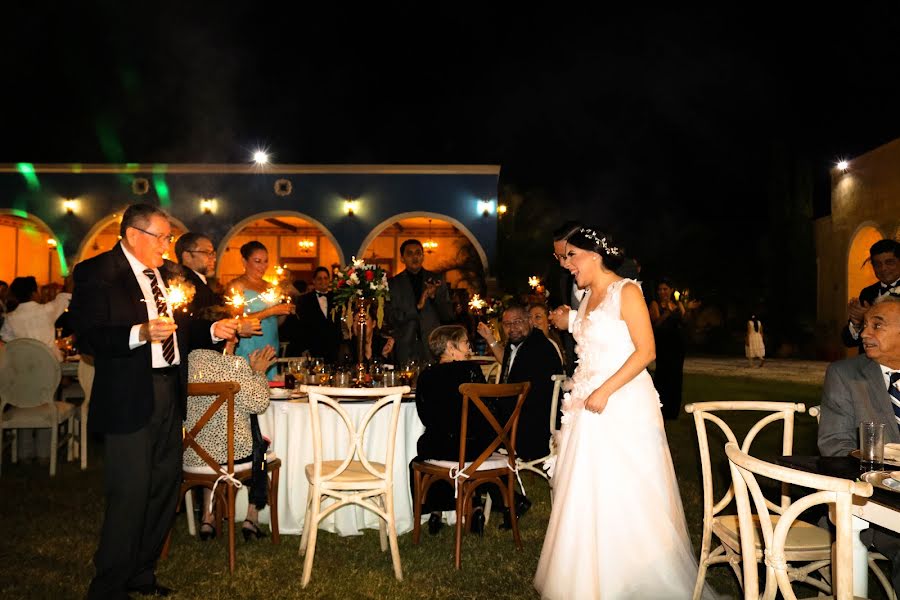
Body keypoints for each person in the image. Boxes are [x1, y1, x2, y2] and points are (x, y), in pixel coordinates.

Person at [68, 203, 238, 599]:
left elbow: (182, 328)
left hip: (168, 392)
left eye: (169, 238)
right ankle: (108, 584)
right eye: (162, 237)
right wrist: (138, 333)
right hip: (129, 395)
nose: (167, 244)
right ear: (133, 235)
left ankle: (141, 572)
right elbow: (88, 336)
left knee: (164, 487)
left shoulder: (165, 275)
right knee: (129, 492)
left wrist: (213, 327)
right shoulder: (98, 273)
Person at [534, 227, 711, 599]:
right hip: (586, 403)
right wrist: (571, 322)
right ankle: (586, 578)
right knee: (587, 487)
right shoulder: (585, 296)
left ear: (594, 256)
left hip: (622, 401)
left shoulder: (626, 291)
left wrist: (605, 390)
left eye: (572, 257)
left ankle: (636, 575)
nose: (567, 265)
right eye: (564, 258)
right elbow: (590, 340)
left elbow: (647, 352)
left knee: (627, 487)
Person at [819, 295, 900, 595]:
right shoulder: (845, 375)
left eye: (877, 325)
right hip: (873, 504)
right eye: (865, 325)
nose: (864, 334)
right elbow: (834, 446)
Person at [185, 337, 276, 542]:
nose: (236, 340)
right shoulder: (233, 364)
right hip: (232, 459)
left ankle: (208, 519)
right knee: (259, 451)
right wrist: (259, 372)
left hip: (192, 456)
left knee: (213, 446)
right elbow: (259, 403)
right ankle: (251, 517)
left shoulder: (187, 362)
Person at [411, 325, 488, 535]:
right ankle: (476, 507)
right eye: (465, 343)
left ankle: (435, 511)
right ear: (450, 347)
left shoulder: (426, 376)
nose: (469, 347)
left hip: (438, 447)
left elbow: (424, 415)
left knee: (431, 447)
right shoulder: (470, 370)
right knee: (470, 443)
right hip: (471, 448)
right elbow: (486, 411)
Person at [228, 241, 295, 380]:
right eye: (257, 261)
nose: (263, 266)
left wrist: (285, 311)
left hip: (270, 343)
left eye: (265, 261)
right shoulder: (237, 285)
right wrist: (271, 311)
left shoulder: (271, 287)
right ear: (244, 261)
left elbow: (275, 323)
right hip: (249, 344)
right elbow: (237, 321)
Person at [386, 239, 452, 364]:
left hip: (433, 345)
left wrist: (433, 297)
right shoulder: (393, 284)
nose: (414, 257)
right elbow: (391, 317)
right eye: (409, 254)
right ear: (402, 258)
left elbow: (448, 315)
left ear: (423, 256)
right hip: (405, 346)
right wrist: (417, 308)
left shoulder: (436, 280)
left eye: (418, 253)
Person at [844, 239, 900, 350]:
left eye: (889, 262)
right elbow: (848, 341)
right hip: (869, 362)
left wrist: (869, 317)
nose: (883, 268)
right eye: (877, 264)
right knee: (837, 367)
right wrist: (857, 323)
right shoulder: (867, 293)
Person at [0, 275, 71, 360]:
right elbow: (64, 298)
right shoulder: (47, 310)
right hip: (50, 363)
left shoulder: (10, 318)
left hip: (24, 364)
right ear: (33, 294)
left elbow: (5, 336)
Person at [648, 277, 688, 420]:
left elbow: (684, 320)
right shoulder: (655, 304)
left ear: (671, 290)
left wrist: (682, 308)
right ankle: (662, 408)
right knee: (663, 375)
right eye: (660, 289)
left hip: (677, 345)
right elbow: (655, 324)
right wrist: (667, 313)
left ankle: (674, 410)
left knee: (676, 377)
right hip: (663, 344)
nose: (663, 292)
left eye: (665, 289)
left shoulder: (676, 304)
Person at [285, 266, 342, 362]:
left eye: (325, 278)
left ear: (329, 280)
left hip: (333, 346)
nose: (323, 281)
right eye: (319, 278)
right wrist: (304, 347)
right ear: (314, 281)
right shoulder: (304, 299)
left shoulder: (337, 298)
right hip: (313, 346)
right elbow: (300, 326)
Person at [171, 231, 220, 315]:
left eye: (212, 253)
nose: (214, 259)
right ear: (187, 256)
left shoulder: (205, 282)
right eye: (207, 253)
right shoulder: (184, 285)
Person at [528, 303, 565, 369]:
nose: (532, 321)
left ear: (549, 322)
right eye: (529, 318)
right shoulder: (528, 344)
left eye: (537, 317)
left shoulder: (550, 345)